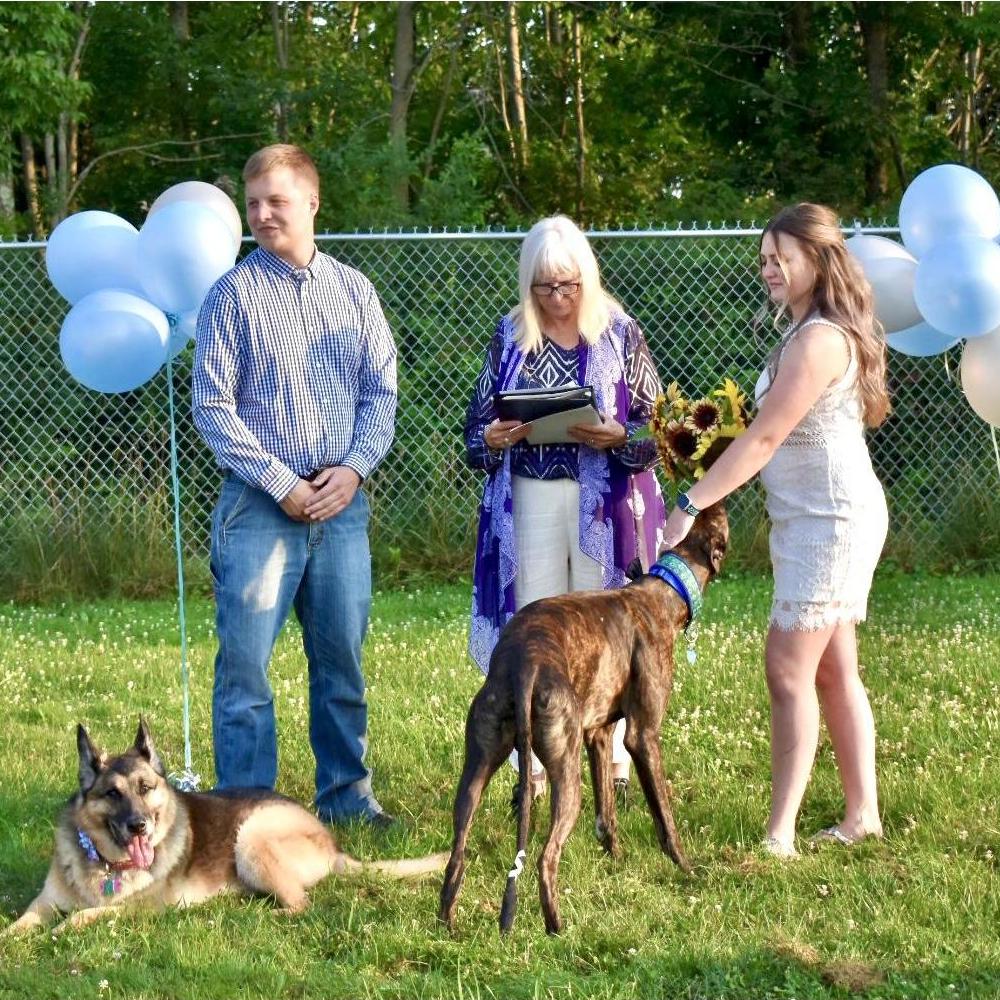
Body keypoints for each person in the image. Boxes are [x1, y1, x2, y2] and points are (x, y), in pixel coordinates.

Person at [660, 203, 890, 857]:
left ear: (815, 261)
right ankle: (861, 817)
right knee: (835, 670)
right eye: (763, 258)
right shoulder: (807, 331)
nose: (767, 268)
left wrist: (691, 500)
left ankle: (779, 835)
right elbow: (756, 434)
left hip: (833, 522)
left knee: (788, 667)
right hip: (810, 520)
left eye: (778, 258)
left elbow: (765, 438)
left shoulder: (819, 340)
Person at [191, 144, 398, 827]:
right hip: (258, 508)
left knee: (341, 665)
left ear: (311, 203)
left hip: (341, 508)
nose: (261, 215)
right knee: (245, 672)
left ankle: (346, 802)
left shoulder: (355, 292)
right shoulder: (231, 295)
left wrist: (354, 468)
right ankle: (246, 816)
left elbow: (381, 393)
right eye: (253, 204)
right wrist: (281, 483)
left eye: (275, 201)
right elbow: (213, 408)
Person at [464, 214, 667, 799]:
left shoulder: (620, 333)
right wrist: (496, 438)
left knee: (606, 628)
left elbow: (658, 425)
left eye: (569, 285)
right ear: (528, 284)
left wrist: (618, 436)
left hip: (604, 501)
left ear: (588, 279)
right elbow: (476, 429)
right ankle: (531, 766)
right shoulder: (509, 336)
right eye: (544, 287)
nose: (557, 298)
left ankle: (617, 768)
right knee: (536, 626)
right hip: (528, 498)